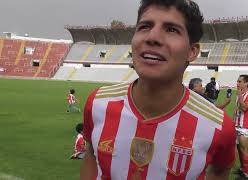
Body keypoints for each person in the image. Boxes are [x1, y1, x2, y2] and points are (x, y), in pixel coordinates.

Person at [81, 0, 236, 179]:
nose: (152, 37)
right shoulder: (97, 103)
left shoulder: (219, 126)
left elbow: (219, 172)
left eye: (171, 29)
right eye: (145, 26)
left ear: (191, 52)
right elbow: (91, 157)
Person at [233, 75, 248, 180]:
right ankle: (242, 169)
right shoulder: (241, 94)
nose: (237, 83)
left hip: (244, 127)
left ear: (246, 83)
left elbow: (244, 108)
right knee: (238, 148)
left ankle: (246, 174)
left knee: (243, 149)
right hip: (236, 125)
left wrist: (240, 96)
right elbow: (237, 109)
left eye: (240, 81)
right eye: (237, 81)